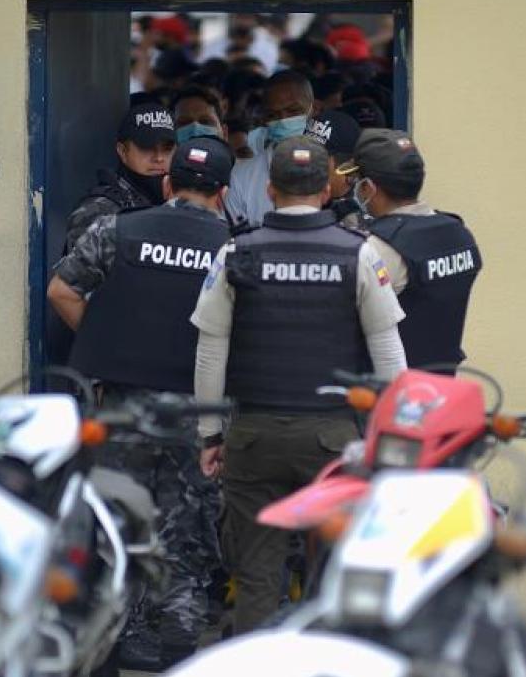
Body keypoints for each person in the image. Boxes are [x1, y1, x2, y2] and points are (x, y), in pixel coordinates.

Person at [192, 136, 407, 633]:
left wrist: (209, 434)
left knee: (256, 577)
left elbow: (210, 352)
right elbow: (389, 353)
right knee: (333, 574)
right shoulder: (359, 254)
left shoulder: (235, 254)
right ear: (327, 191)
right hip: (332, 440)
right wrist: (392, 436)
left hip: (254, 436)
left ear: (269, 190)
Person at [47, 137, 233, 670]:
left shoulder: (117, 229)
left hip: (123, 404)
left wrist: (107, 346)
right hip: (195, 414)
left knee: (115, 522)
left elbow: (63, 291)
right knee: (186, 528)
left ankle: (112, 636)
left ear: (169, 183)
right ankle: (174, 642)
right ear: (221, 194)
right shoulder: (233, 246)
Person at [353, 129, 482, 368]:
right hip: (442, 384)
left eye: (358, 183)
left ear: (369, 187)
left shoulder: (379, 248)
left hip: (391, 392)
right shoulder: (460, 233)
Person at [65, 101, 175, 250]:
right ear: (123, 151)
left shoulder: (180, 203)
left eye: (167, 149)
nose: (159, 157)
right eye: (147, 148)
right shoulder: (98, 210)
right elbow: (77, 272)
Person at [226, 70, 316, 225]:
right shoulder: (242, 176)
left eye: (294, 111)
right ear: (264, 119)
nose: (283, 121)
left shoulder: (329, 166)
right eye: (273, 115)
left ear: (313, 109)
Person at [303, 109, 364, 228]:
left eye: (317, 158)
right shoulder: (294, 197)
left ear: (348, 166)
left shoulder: (361, 214)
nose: (306, 165)